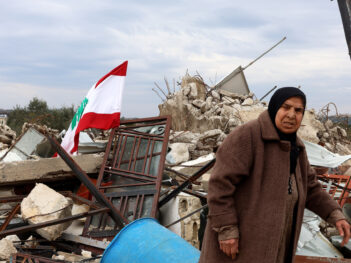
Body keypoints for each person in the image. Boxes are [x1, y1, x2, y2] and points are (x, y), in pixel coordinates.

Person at [199, 87, 350, 263]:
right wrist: (226, 230)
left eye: (298, 110)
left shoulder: (296, 147)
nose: (291, 115)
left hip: (276, 244)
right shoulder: (247, 136)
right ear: (274, 107)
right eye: (286, 107)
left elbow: (310, 187)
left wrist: (335, 214)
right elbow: (219, 186)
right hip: (241, 243)